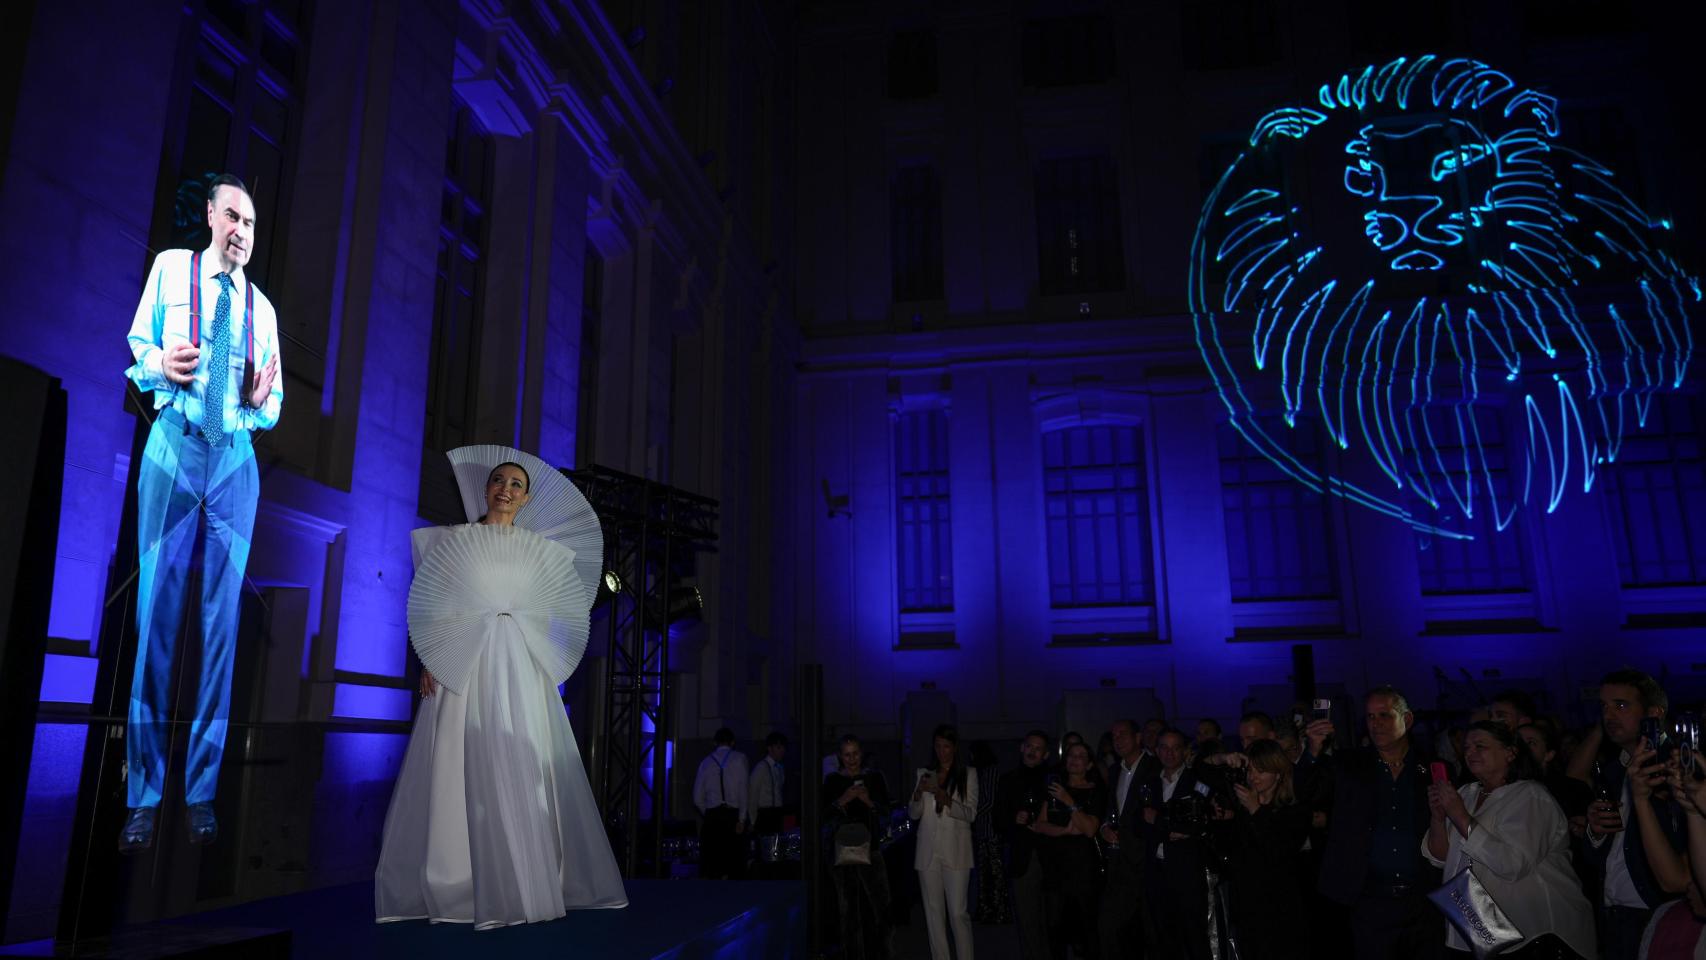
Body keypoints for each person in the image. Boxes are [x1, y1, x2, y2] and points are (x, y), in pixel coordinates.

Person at [375, 449, 627, 928]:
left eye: (515, 484)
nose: (505, 489)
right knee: (457, 757)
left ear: (526, 498)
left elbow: (557, 610)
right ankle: (460, 882)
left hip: (518, 662)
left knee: (523, 758)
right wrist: (429, 656)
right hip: (465, 659)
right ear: (485, 489)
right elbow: (434, 605)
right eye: (498, 481)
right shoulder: (455, 541)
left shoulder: (539, 551)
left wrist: (539, 648)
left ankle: (524, 878)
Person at [119, 173, 285, 852]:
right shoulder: (170, 270)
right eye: (234, 218)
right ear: (212, 218)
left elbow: (271, 407)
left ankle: (201, 793)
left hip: (235, 458)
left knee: (223, 628)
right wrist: (165, 360)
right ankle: (143, 795)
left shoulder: (263, 310)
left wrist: (252, 398)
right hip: (174, 448)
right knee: (155, 614)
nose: (242, 231)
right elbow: (137, 351)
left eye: (251, 223)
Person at [1423, 721, 1595, 959]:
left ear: (1510, 753)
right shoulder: (1466, 793)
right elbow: (1440, 857)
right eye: (1467, 747)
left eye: (1480, 746)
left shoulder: (1531, 796)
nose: (1470, 752)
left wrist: (1460, 815)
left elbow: (1512, 863)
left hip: (1535, 929)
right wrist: (1439, 818)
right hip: (1481, 922)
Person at [1300, 685, 1442, 960]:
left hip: (1423, 899)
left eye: (1384, 716)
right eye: (1370, 717)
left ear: (1407, 719)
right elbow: (1309, 793)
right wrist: (1314, 751)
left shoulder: (1433, 768)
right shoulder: (1349, 764)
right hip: (1368, 899)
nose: (1375, 724)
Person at [1574, 670, 1688, 960]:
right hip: (1614, 913)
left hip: (1660, 911)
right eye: (1604, 706)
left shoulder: (1679, 766)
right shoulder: (1612, 770)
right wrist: (1595, 830)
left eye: (1621, 705)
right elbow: (1600, 857)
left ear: (1654, 713)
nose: (1609, 714)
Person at [1215, 740, 1309, 960]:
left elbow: (1280, 850)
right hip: (1247, 907)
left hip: (1280, 911)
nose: (1253, 776)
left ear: (1278, 774)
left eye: (1262, 770)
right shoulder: (1244, 808)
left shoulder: (1294, 810)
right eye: (1250, 769)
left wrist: (1255, 809)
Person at [1140, 728, 1210, 960]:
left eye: (1176, 747)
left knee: (1194, 937)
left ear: (1184, 750)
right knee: (1164, 938)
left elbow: (1195, 824)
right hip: (1157, 872)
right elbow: (1138, 824)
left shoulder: (1197, 781)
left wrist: (1158, 820)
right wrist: (1169, 826)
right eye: (1164, 747)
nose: (1169, 753)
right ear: (1157, 750)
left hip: (1187, 872)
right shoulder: (1149, 783)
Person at [1031, 740, 1105, 960]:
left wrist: (1068, 800)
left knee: (1085, 930)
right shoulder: (1054, 787)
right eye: (1071, 755)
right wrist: (1064, 831)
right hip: (1055, 867)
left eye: (1081, 756)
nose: (1074, 759)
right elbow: (1040, 824)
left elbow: (1090, 829)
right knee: (1054, 928)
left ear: (1089, 764)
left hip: (1083, 869)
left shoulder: (1096, 792)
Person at [911, 724, 979, 960]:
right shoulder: (924, 773)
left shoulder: (968, 774)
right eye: (938, 746)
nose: (942, 751)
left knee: (958, 914)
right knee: (933, 913)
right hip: (928, 850)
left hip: (957, 851)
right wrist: (918, 794)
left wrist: (946, 799)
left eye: (947, 746)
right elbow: (913, 813)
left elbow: (971, 814)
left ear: (955, 747)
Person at [826, 735, 894, 960]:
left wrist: (869, 801)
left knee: (881, 907)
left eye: (855, 753)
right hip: (842, 852)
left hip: (871, 848)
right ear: (840, 756)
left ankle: (883, 953)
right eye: (847, 754)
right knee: (848, 911)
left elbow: (886, 813)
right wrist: (842, 800)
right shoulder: (833, 781)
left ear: (861, 754)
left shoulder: (874, 778)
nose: (852, 759)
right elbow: (823, 815)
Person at [1099, 718, 1158, 960]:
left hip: (1148, 861)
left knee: (1152, 931)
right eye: (1114, 736)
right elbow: (1111, 809)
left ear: (1138, 738)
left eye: (1123, 734)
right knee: (1111, 927)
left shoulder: (1154, 767)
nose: (1118, 739)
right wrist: (1104, 827)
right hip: (1121, 862)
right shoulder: (1115, 771)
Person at [996, 731, 1053, 960]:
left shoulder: (1053, 779)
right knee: (1028, 921)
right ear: (1021, 747)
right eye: (1029, 745)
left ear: (1046, 754)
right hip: (1022, 857)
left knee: (1052, 920)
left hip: (1052, 858)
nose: (1032, 751)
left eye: (1038, 748)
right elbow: (997, 821)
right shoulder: (1008, 780)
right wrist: (1013, 819)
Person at [694, 727, 751, 879]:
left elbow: (697, 797)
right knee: (735, 865)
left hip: (712, 816)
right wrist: (741, 819)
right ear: (732, 742)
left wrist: (707, 812)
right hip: (732, 815)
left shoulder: (705, 763)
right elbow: (743, 791)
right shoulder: (740, 758)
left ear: (715, 743)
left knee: (712, 864)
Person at [969, 740, 1008, 923]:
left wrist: (971, 814)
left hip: (990, 831)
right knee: (985, 874)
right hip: (983, 830)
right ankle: (987, 909)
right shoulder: (983, 772)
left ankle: (999, 911)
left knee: (995, 873)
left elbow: (990, 802)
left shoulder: (990, 771)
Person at [749, 731, 788, 835]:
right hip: (764, 814)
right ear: (769, 748)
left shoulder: (780, 768)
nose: (782, 751)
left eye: (783, 747)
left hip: (777, 813)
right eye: (778, 747)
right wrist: (753, 821)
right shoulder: (761, 768)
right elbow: (753, 795)